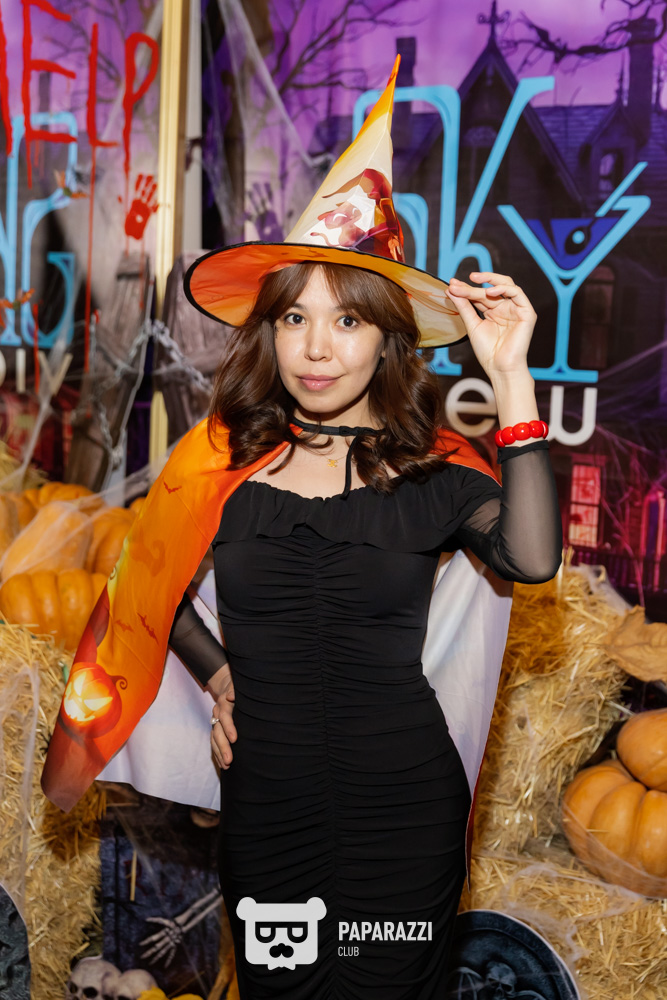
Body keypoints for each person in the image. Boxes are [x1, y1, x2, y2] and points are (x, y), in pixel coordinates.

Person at [42, 57, 562, 998]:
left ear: (389, 336)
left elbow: (529, 559)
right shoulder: (219, 463)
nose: (316, 348)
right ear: (268, 331)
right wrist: (218, 672)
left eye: (347, 323)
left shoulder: (435, 472)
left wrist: (513, 380)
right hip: (268, 808)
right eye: (293, 318)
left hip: (403, 813)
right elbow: (146, 591)